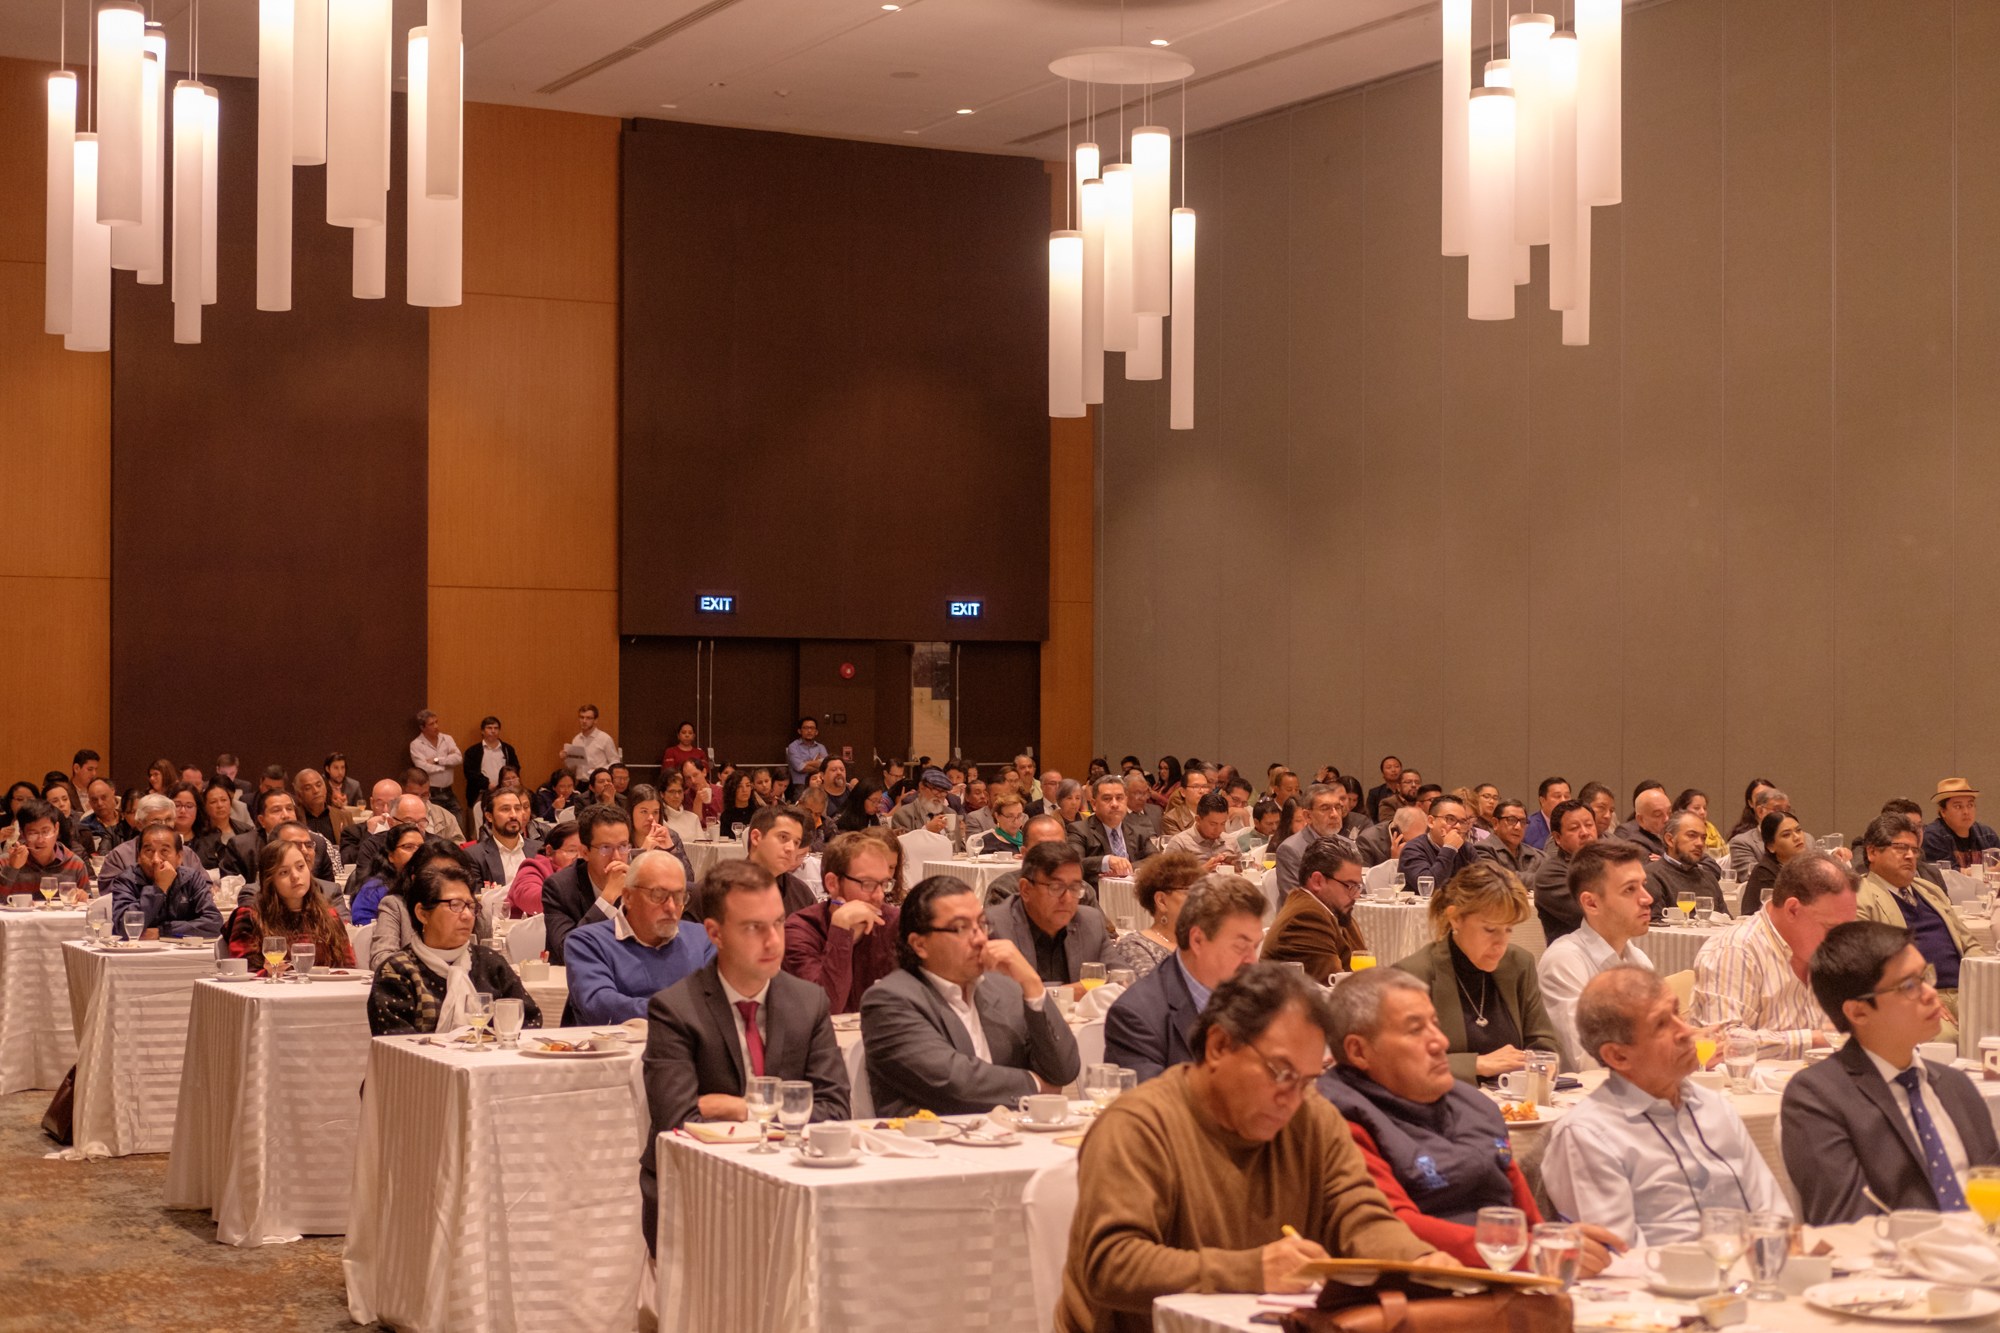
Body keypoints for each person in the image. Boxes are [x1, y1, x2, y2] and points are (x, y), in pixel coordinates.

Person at [1056, 964, 1446, 1333]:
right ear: (1219, 1046)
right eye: (1281, 1073)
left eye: (1307, 1080)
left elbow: (1359, 1213)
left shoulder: (1312, 1119)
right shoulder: (1139, 1125)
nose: (1292, 1099)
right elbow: (1111, 1264)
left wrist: (1418, 1260)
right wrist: (1250, 1270)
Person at [1322, 968, 1624, 1272]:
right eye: (1415, 1030)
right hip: (1419, 1283)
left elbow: (1524, 1217)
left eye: (1435, 1024)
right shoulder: (1338, 1117)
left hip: (1508, 1277)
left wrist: (1553, 1241)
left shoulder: (1476, 1105)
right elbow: (1390, 1229)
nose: (1440, 1041)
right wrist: (1533, 1254)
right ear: (1358, 1051)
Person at [640, 860, 849, 1248]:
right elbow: (678, 1121)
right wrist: (787, 1110)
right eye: (754, 928)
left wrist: (740, 1108)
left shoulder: (808, 1002)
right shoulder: (675, 1009)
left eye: (779, 923)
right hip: (699, 1194)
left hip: (793, 1184)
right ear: (715, 933)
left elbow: (835, 1111)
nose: (773, 941)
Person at [1541, 965, 1790, 1245]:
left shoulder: (1714, 1107)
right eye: (1661, 1024)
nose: (1685, 1030)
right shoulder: (1587, 1135)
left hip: (1751, 1275)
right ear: (1618, 1056)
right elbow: (1619, 1258)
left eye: (1677, 1012)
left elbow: (1774, 1215)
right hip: (1663, 1282)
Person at [1782, 920, 2000, 1224]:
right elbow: (1847, 1223)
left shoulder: (1956, 1084)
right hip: (1905, 1263)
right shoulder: (1818, 1097)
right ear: (1858, 1011)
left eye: (1925, 976)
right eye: (1909, 986)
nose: (1929, 993)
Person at [860, 875, 1081, 1116]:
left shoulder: (1003, 989)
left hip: (1011, 1140)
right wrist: (1036, 1085)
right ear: (919, 944)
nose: (979, 939)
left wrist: (1032, 985)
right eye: (961, 928)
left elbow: (1064, 1071)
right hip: (931, 1146)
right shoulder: (890, 1000)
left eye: (981, 924)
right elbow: (955, 1083)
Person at [1393, 862, 1558, 1082]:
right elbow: (1402, 1062)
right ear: (1455, 918)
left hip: (1516, 1105)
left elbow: (1544, 1044)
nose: (1501, 943)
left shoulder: (1519, 964)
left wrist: (1541, 1065)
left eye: (1508, 929)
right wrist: (1477, 1064)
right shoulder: (1413, 974)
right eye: (1490, 929)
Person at [1690, 851, 1858, 1059]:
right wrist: (1816, 1039)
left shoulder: (1828, 949)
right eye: (1832, 927)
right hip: (1742, 1086)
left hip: (1815, 1079)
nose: (1840, 940)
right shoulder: (1736, 949)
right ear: (1793, 910)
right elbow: (1724, 1041)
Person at [1103, 874, 1266, 1082]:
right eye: (1241, 946)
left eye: (1255, 946)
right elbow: (1150, 1108)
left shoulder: (1258, 998)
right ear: (1197, 940)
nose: (1252, 961)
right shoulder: (1137, 1016)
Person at [368, 857, 540, 1035]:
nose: (467, 915)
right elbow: (395, 1044)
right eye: (455, 905)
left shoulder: (489, 962)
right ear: (422, 914)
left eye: (471, 906)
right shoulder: (398, 971)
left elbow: (529, 1020)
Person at [1537, 840, 1654, 1070]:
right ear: (1591, 903)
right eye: (1630, 889)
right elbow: (1588, 1062)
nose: (1647, 898)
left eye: (1643, 885)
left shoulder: (1638, 960)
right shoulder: (1564, 961)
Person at [1855, 813, 1982, 1021]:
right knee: (1943, 1037)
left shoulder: (1930, 891)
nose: (1910, 856)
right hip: (1914, 996)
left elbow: (1970, 945)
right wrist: (1921, 994)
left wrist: (1985, 985)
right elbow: (1869, 963)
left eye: (1914, 850)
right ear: (1872, 852)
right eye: (1900, 848)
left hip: (1967, 992)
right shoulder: (1860, 895)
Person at [564, 850, 714, 1025]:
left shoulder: (702, 939)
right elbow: (601, 1006)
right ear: (628, 897)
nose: (671, 907)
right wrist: (679, 1013)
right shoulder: (587, 942)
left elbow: (722, 1001)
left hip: (689, 1048)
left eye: (679, 896)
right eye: (658, 895)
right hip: (617, 1049)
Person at [783, 831, 901, 1014]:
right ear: (832, 883)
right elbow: (826, 1008)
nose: (879, 895)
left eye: (884, 883)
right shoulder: (800, 929)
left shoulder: (893, 923)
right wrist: (841, 931)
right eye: (868, 884)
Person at [984, 840, 1115, 984]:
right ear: (1026, 889)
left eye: (1074, 887)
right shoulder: (994, 927)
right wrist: (1069, 992)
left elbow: (1121, 978)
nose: (1067, 898)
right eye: (1056, 887)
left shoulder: (1090, 922)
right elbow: (996, 995)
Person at [226, 839, 355, 973]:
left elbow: (347, 968)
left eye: (300, 867)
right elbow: (242, 972)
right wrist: (267, 973)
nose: (295, 876)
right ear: (269, 880)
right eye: (284, 872)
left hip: (324, 991)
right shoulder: (251, 916)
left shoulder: (329, 915)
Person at [1262, 837, 1369, 981]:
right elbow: (1335, 989)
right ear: (1317, 881)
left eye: (1358, 887)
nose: (1356, 895)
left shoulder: (1336, 910)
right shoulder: (1304, 919)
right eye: (1350, 886)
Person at [540, 804, 636, 965]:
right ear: (584, 852)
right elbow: (569, 950)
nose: (617, 857)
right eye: (606, 848)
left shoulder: (638, 884)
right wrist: (607, 899)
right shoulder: (559, 888)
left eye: (623, 846)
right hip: (573, 982)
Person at [108, 824, 223, 939]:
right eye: (148, 850)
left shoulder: (191, 878)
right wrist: (158, 888)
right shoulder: (127, 880)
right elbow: (124, 927)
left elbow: (214, 923)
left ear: (179, 857)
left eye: (164, 851)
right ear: (138, 856)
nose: (156, 859)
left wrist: (163, 931)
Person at [1105, 851, 1202, 978]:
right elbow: (1154, 993)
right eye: (1190, 891)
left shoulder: (1202, 942)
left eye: (1201, 890)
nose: (1200, 898)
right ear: (1161, 901)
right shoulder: (1135, 946)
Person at [221, 789, 335, 884]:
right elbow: (232, 892)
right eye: (276, 810)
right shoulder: (242, 847)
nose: (286, 815)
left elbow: (329, 889)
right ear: (262, 820)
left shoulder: (316, 843)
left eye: (290, 809)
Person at [1531, 799, 1598, 944]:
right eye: (1575, 828)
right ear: (1557, 838)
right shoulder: (1550, 874)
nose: (1585, 832)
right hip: (1573, 956)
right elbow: (1593, 916)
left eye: (1589, 825)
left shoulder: (1609, 864)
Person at [1068, 774, 1150, 885]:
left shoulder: (1138, 831)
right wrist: (1106, 861)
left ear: (1126, 801)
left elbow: (1157, 859)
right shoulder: (1079, 830)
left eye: (1119, 798)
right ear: (1094, 804)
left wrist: (1126, 868)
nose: (1115, 804)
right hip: (1098, 896)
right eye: (1107, 799)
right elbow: (1073, 864)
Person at [1645, 810, 1724, 922]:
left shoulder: (1709, 878)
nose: (1700, 843)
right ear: (1670, 840)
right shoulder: (1651, 876)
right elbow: (1654, 928)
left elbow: (1726, 923)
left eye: (1703, 838)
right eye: (1692, 835)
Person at [0, 799, 91, 895]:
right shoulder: (5, 861)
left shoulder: (75, 864)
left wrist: (84, 898)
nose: (40, 840)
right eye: (33, 833)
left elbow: (89, 904)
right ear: (22, 833)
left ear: (56, 829)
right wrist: (12, 868)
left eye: (45, 832)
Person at [1274, 784, 1352, 893]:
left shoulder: (1349, 845)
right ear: (1308, 816)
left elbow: (1359, 891)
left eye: (1338, 808)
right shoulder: (1291, 850)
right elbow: (1295, 899)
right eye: (1325, 808)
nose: (1334, 814)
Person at [744, 804, 817, 915]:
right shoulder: (723, 889)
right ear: (756, 837)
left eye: (796, 842)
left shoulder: (802, 894)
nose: (791, 848)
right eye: (783, 837)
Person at [465, 787, 540, 891]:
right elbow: (476, 899)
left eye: (517, 809)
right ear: (489, 816)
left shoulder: (539, 849)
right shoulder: (474, 856)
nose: (513, 815)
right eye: (505, 809)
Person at [350, 825, 426, 926]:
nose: (417, 852)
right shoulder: (373, 890)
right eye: (408, 847)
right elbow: (363, 930)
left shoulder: (429, 883)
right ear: (391, 856)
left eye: (421, 848)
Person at [1397, 793, 1471, 891]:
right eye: (1450, 819)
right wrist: (1449, 849)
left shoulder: (1465, 848)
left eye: (1462, 822)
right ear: (1431, 822)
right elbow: (1428, 889)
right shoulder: (1412, 849)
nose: (1458, 826)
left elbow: (1485, 882)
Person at [1740, 809, 1807, 915]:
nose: (1797, 837)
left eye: (1798, 830)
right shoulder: (1764, 872)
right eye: (1786, 835)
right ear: (1771, 846)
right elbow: (1780, 913)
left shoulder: (1809, 867)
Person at [508, 820, 580, 919]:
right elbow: (531, 901)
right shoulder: (532, 868)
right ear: (549, 851)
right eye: (572, 851)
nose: (580, 857)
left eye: (584, 851)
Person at [1924, 778, 2000, 870]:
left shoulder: (1987, 834)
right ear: (1943, 811)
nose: (1966, 812)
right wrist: (1989, 871)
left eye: (1970, 805)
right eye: (1958, 806)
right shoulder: (1932, 837)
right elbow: (1948, 875)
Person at [888, 768, 965, 850]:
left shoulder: (950, 813)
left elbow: (959, 849)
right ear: (921, 787)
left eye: (944, 792)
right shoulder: (904, 814)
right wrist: (926, 830)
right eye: (936, 790)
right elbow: (903, 849)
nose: (939, 796)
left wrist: (962, 835)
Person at [409, 709, 465, 819]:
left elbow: (458, 758)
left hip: (449, 791)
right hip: (432, 794)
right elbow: (423, 767)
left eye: (436, 722)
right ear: (422, 727)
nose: (436, 726)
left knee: (458, 821)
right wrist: (446, 765)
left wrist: (437, 760)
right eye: (431, 724)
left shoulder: (447, 739)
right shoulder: (416, 745)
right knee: (436, 824)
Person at [1727, 786, 1792, 881]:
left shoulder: (1807, 839)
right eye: (1777, 810)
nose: (1785, 815)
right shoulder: (1742, 843)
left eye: (1787, 810)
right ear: (1760, 812)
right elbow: (1755, 878)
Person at [1161, 792, 1238, 870]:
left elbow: (1243, 871)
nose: (1219, 830)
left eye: (1223, 823)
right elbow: (1168, 878)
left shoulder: (1230, 841)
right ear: (1198, 819)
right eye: (1213, 824)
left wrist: (1237, 868)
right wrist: (1201, 871)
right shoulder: (1180, 843)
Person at [464, 715, 521, 822]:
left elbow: (515, 768)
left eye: (496, 728)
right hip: (480, 793)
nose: (493, 731)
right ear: (482, 731)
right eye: (489, 728)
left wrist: (506, 782)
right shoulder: (473, 751)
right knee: (478, 824)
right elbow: (470, 773)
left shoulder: (508, 749)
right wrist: (487, 784)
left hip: (505, 790)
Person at [1468, 798, 1541, 876]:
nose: (1518, 827)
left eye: (1523, 822)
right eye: (1511, 820)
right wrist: (1539, 879)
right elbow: (1495, 879)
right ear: (1495, 823)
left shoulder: (1536, 855)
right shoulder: (1481, 849)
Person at [291, 767, 351, 850]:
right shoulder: (294, 818)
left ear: (325, 788)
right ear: (299, 796)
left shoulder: (343, 816)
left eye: (319, 785)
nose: (315, 790)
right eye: (308, 788)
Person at [561, 703, 621, 780]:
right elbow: (573, 768)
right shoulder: (576, 740)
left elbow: (615, 762)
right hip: (581, 782)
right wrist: (566, 758)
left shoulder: (605, 738)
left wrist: (599, 771)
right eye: (582, 717)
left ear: (595, 720)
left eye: (588, 718)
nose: (584, 721)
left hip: (598, 782)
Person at [1613, 788, 1671, 860]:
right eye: (1658, 815)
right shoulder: (1636, 843)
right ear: (1641, 820)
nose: (1667, 819)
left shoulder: (1676, 833)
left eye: (1669, 812)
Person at [80, 778, 135, 850]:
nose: (99, 803)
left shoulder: (127, 818)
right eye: (94, 800)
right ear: (90, 803)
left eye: (103, 797)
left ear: (113, 794)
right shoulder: (85, 826)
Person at [1524, 776, 1570, 851]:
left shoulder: (1575, 825)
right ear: (1542, 801)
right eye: (1557, 796)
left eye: (1567, 796)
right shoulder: (1528, 827)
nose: (1563, 800)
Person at [784, 716, 827, 795]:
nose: (809, 730)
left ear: (816, 732)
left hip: (818, 783)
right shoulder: (793, 746)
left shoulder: (821, 747)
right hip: (799, 785)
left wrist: (806, 762)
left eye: (812, 728)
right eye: (806, 728)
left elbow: (825, 766)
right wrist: (816, 763)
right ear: (799, 731)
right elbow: (800, 767)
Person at [1364, 756, 1404, 825]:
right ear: (1383, 773)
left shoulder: (1407, 791)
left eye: (1396, 766)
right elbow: (1371, 817)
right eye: (1389, 767)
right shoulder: (1374, 793)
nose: (1393, 770)